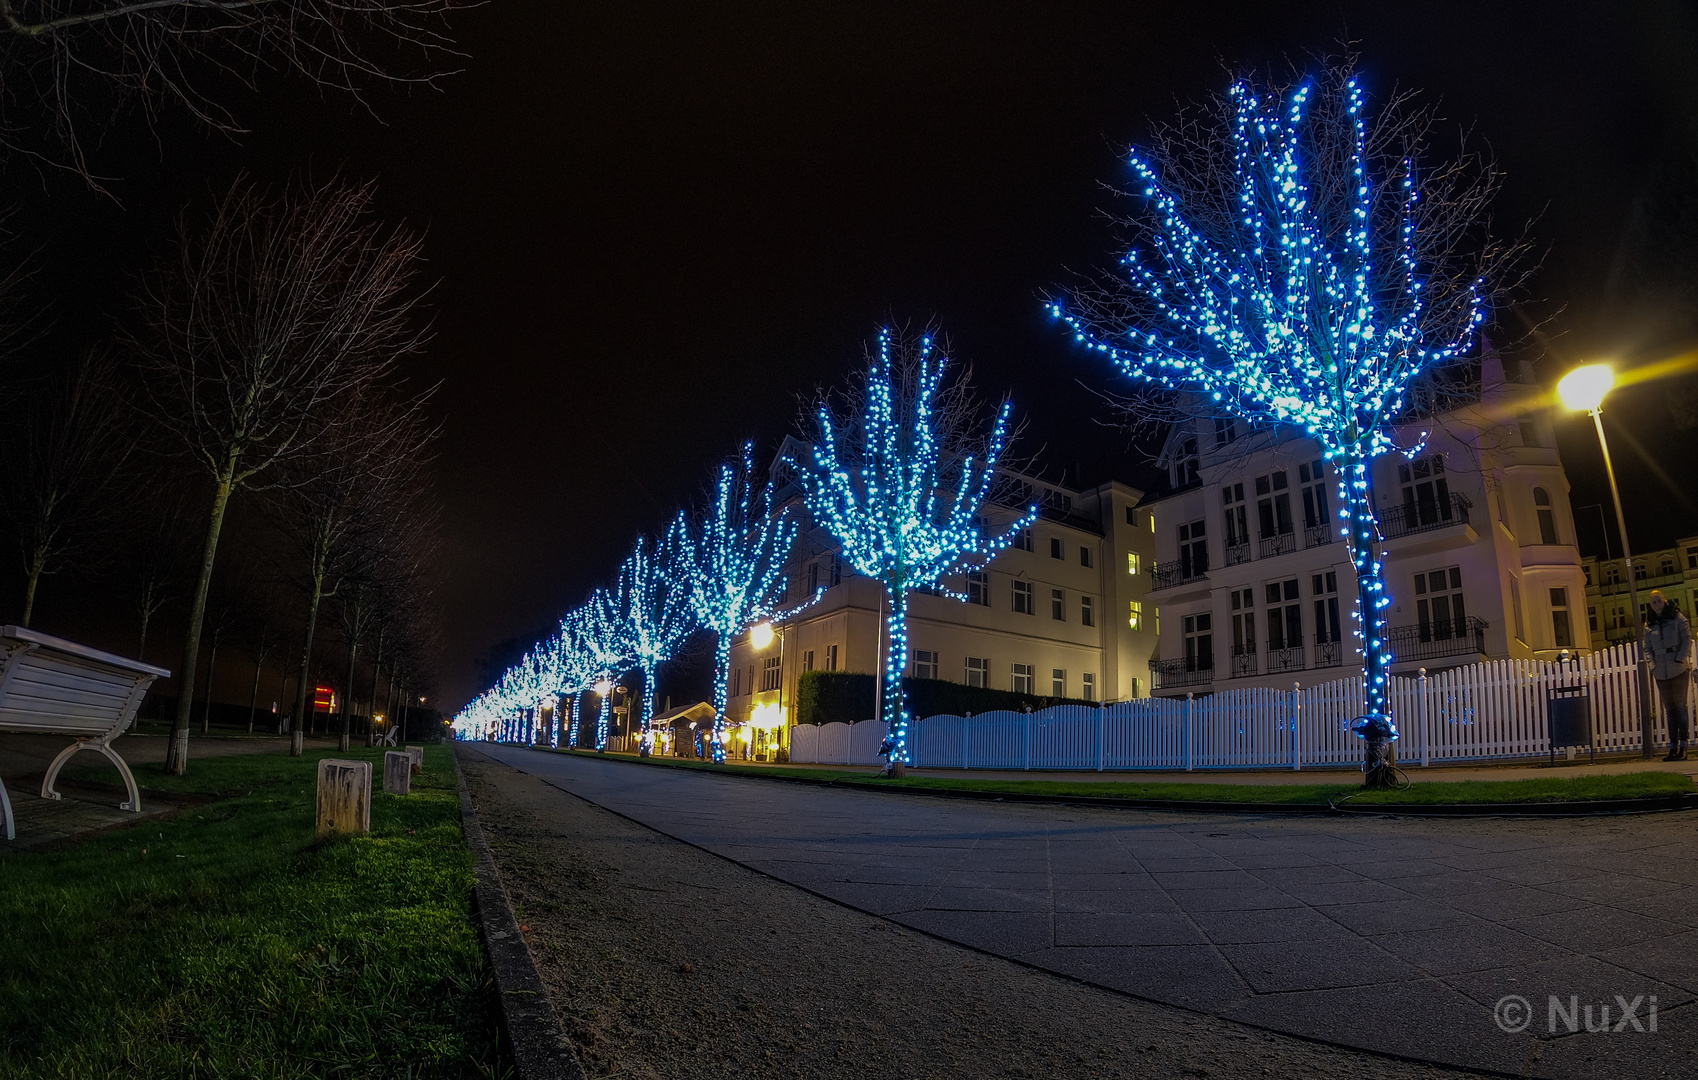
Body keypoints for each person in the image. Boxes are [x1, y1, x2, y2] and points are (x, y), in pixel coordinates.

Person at [1643, 590, 1693, 761]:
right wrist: (1652, 666)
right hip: (1661, 672)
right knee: (1670, 711)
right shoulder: (1649, 625)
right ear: (1651, 605)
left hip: (1678, 669)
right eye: (1653, 602)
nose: (1657, 604)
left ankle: (1684, 747)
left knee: (1680, 708)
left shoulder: (1677, 618)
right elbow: (1647, 648)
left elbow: (1687, 638)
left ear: (1664, 601)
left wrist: (1680, 659)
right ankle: (1672, 748)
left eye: (1659, 601)